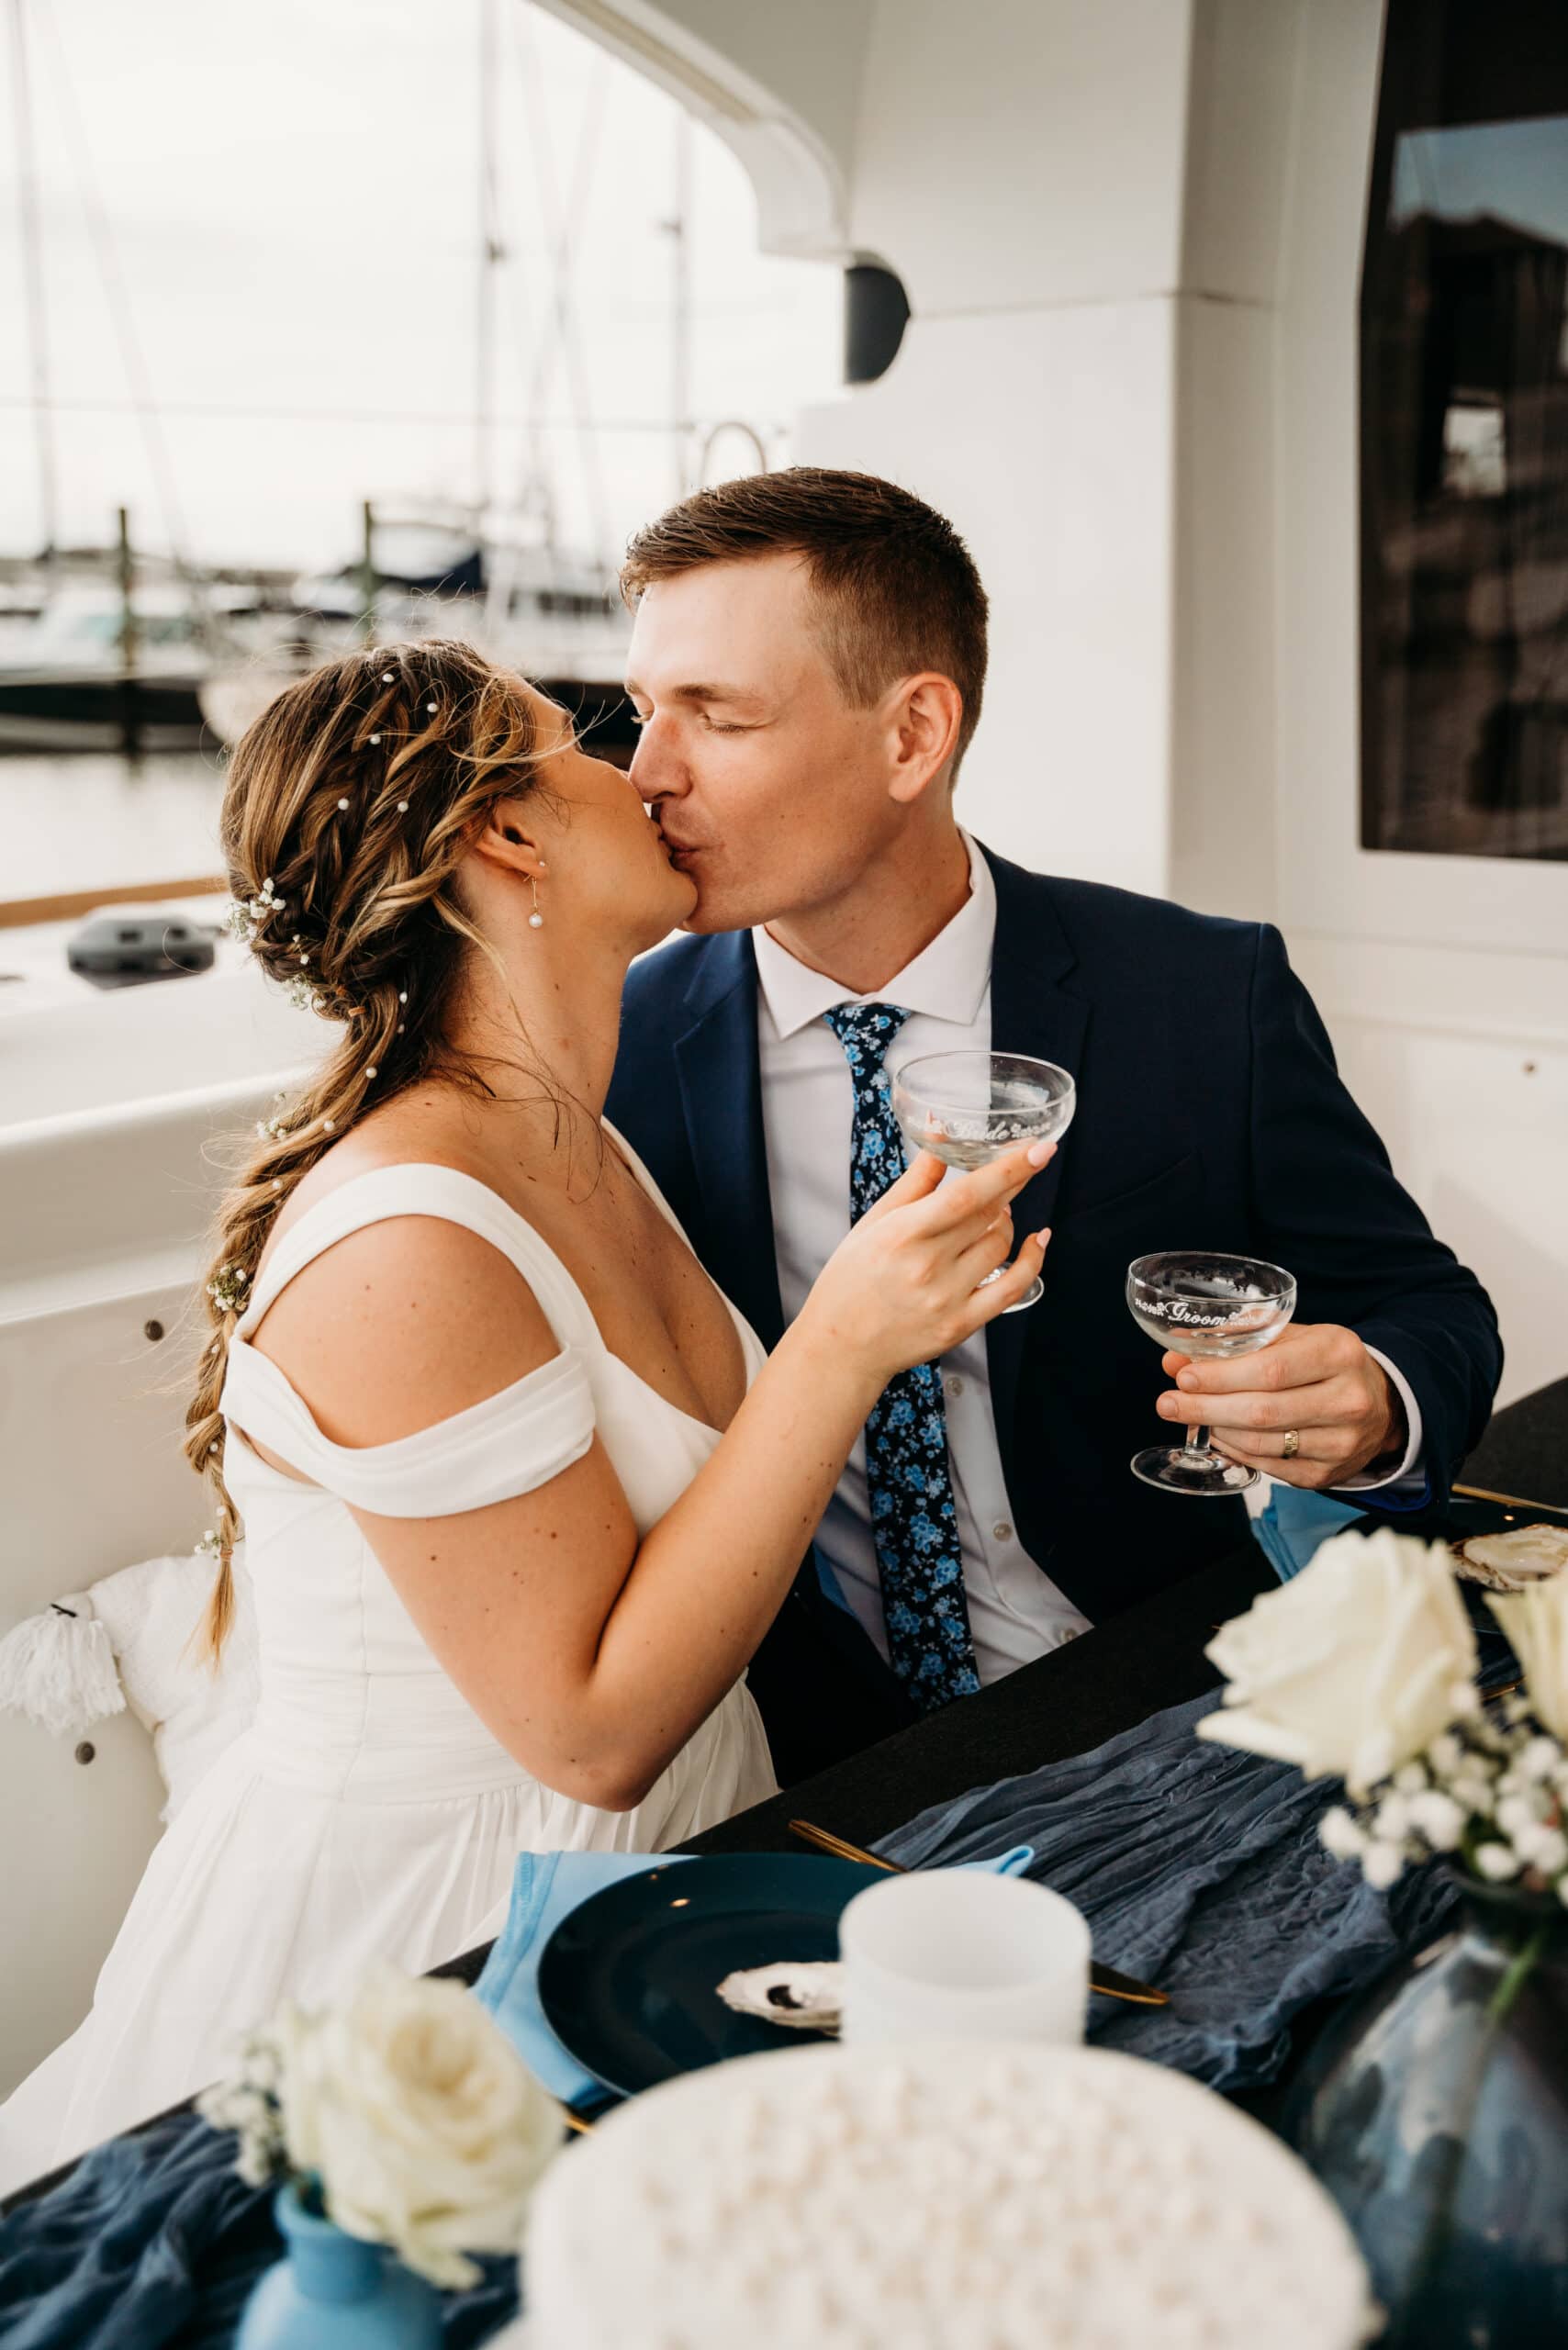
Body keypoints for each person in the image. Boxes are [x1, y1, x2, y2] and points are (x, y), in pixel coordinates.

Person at [0, 641, 1048, 2193]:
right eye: (583, 743)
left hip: (685, 1873)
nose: (643, 772)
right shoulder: (407, 1241)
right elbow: (592, 1732)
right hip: (439, 1954)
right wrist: (845, 1344)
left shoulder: (582, 1143)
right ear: (505, 837)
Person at [605, 466, 1504, 1780]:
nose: (643, 775)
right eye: (637, 710)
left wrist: (1374, 1400)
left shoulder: (1202, 991)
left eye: (716, 719)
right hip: (796, 1753)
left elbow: (1431, 1310)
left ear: (915, 734)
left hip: (1161, 1693)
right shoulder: (616, 1051)